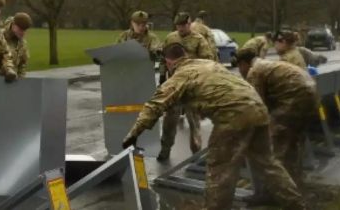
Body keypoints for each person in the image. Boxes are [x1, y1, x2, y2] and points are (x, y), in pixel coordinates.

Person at [121, 43, 305, 210]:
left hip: (233, 117)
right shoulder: (207, 64)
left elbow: (155, 104)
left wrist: (133, 134)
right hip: (258, 110)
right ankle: (297, 204)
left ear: (169, 62)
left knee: (220, 170)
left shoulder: (182, 74)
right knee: (268, 164)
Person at [236, 48, 318, 193]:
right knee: (293, 144)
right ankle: (295, 185)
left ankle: (276, 193)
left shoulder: (254, 71)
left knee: (275, 148)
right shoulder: (267, 64)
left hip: (294, 98)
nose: (240, 71)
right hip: (310, 94)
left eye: (239, 67)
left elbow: (256, 105)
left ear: (243, 63)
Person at [158, 12, 216, 160]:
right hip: (175, 85)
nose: (181, 28)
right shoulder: (171, 38)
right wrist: (162, 75)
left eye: (183, 25)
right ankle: (165, 149)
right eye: (178, 26)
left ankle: (195, 153)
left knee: (194, 121)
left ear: (189, 24)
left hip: (192, 86)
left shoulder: (199, 40)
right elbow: (163, 59)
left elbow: (208, 61)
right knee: (169, 119)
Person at [2, 12, 32, 78]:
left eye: (25, 30)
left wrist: (20, 82)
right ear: (13, 25)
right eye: (21, 30)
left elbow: (22, 65)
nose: (23, 33)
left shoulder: (22, 44)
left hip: (13, 83)